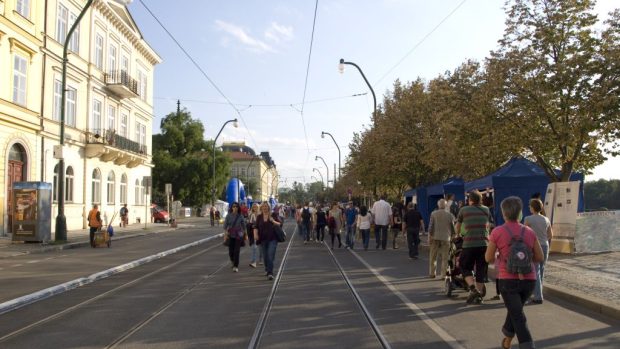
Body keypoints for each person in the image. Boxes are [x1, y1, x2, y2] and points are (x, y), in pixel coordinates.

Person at [486, 196, 543, 349]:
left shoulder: (497, 231)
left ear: (503, 213)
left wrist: (500, 257)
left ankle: (528, 346)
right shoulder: (529, 232)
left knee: (518, 316)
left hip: (507, 280)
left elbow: (488, 257)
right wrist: (524, 259)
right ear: (520, 213)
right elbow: (540, 257)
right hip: (529, 281)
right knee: (515, 311)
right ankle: (507, 338)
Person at [456, 190, 492, 304]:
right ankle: (479, 296)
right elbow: (489, 225)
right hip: (484, 244)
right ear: (480, 199)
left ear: (470, 200)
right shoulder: (486, 209)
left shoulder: (464, 210)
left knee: (464, 266)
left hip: (469, 244)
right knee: (481, 269)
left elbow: (458, 225)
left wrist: (458, 235)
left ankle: (473, 288)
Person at [524, 198, 553, 304]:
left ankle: (538, 296)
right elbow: (550, 235)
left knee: (535, 270)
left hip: (534, 246)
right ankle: (538, 292)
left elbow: (524, 233)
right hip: (545, 245)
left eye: (530, 206)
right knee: (541, 270)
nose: (529, 208)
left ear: (532, 207)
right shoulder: (546, 219)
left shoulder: (528, 219)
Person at [254, 202, 282, 280]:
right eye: (263, 206)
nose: (265, 208)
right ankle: (267, 268)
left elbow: (280, 224)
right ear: (261, 208)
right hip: (262, 239)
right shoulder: (259, 217)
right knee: (265, 256)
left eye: (266, 206)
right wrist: (255, 235)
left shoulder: (273, 215)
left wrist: (273, 221)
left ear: (269, 207)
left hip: (273, 239)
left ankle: (270, 273)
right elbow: (256, 227)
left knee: (270, 255)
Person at [428, 199, 455, 277]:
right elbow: (453, 228)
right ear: (446, 205)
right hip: (446, 237)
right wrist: (453, 236)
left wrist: (429, 237)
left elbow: (430, 227)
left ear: (438, 205)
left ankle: (432, 273)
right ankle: (443, 275)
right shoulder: (450, 215)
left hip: (435, 237)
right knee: (445, 257)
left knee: (433, 256)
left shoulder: (433, 214)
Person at [223, 202, 247, 273]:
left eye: (236, 206)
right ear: (231, 208)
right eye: (233, 206)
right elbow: (225, 227)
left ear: (238, 208)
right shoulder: (228, 216)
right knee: (231, 252)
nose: (235, 208)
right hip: (230, 235)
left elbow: (244, 226)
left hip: (238, 235)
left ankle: (236, 266)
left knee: (237, 251)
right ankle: (233, 261)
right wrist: (225, 235)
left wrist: (245, 235)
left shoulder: (240, 216)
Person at [247, 203, 260, 268]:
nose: (255, 208)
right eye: (254, 207)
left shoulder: (261, 214)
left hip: (261, 233)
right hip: (254, 233)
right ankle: (253, 262)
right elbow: (249, 224)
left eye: (256, 207)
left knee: (261, 248)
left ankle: (260, 259)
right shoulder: (251, 215)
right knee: (254, 247)